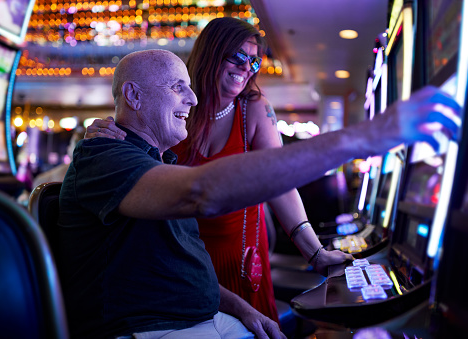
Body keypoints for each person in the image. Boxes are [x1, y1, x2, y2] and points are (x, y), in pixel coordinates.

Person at [60, 49, 460, 339]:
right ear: (133, 96)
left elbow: (177, 265)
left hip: (205, 319)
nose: (194, 99)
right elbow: (202, 192)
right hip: (151, 330)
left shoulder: (157, 160)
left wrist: (241, 308)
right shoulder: (104, 154)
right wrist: (366, 138)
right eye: (179, 87)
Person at [86, 17, 352, 323]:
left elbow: (279, 182)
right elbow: (136, 122)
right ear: (212, 52)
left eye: (254, 61)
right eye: (238, 56)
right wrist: (106, 128)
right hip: (184, 253)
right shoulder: (174, 108)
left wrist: (316, 254)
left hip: (241, 255)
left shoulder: (253, 107)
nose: (246, 68)